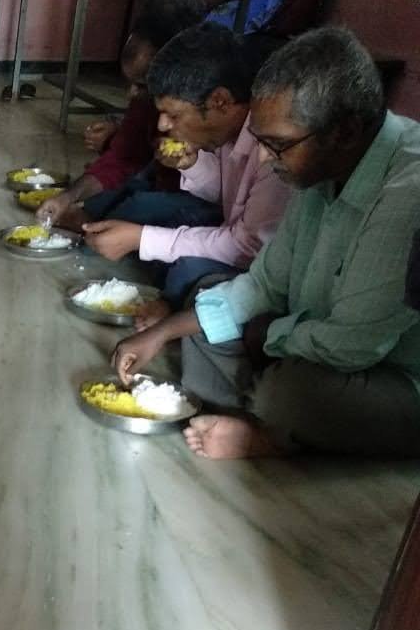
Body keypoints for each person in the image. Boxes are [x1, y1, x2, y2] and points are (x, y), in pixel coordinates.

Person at [111, 28, 420, 459]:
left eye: (277, 145)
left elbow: (352, 346)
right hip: (303, 337)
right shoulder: (323, 165)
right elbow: (265, 283)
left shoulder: (407, 193)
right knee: (207, 298)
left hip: (387, 373)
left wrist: (266, 334)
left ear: (346, 131)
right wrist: (164, 333)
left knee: (287, 394)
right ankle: (261, 413)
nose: (262, 158)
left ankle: (270, 436)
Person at [82, 24, 290, 315]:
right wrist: (192, 165)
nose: (163, 124)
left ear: (220, 101)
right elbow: (228, 195)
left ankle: (176, 308)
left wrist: (142, 238)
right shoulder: (227, 131)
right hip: (232, 231)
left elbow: (248, 247)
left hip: (260, 261)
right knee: (146, 212)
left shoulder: (273, 147)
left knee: (186, 270)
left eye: (173, 114)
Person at [36, 0, 210, 233]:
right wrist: (67, 196)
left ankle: (105, 226)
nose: (131, 93)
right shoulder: (146, 102)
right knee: (110, 195)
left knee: (139, 205)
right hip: (158, 184)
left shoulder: (205, 107)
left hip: (198, 204)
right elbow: (123, 156)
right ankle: (102, 221)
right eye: (129, 83)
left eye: (142, 85)